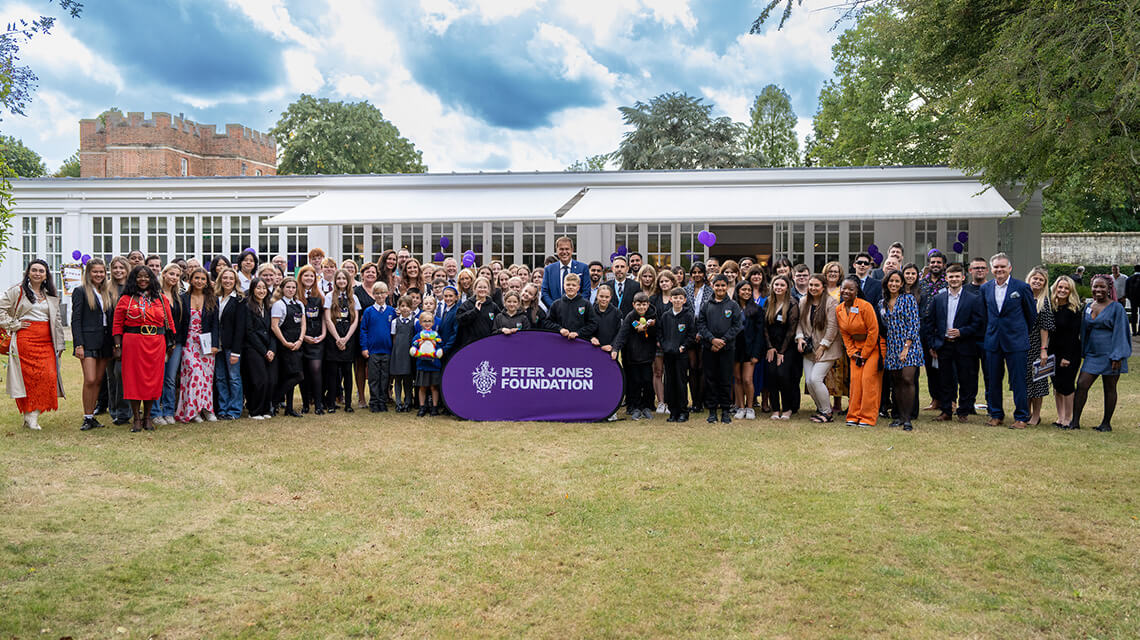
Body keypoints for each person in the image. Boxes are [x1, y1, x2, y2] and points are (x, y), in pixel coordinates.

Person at [2, 260, 66, 430]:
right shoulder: (18, 291)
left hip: (47, 342)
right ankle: (31, 417)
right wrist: (13, 324)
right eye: (34, 270)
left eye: (41, 271)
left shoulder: (51, 295)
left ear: (46, 275)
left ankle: (32, 414)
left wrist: (59, 345)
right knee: (28, 379)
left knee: (48, 377)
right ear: (28, 272)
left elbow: (57, 321)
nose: (38, 273)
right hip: (25, 341)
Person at [980, 253, 1037, 429]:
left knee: (1018, 381)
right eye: (996, 267)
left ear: (1010, 268)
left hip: (1016, 342)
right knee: (993, 380)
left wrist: (1019, 333)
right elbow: (984, 315)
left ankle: (1021, 417)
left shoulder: (1021, 287)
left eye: (1003, 266)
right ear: (991, 270)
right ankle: (996, 415)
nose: (999, 270)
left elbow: (1031, 316)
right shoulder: (986, 288)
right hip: (993, 341)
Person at [1071, 275, 1131, 432]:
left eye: (1102, 287)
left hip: (1112, 354)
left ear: (1109, 289)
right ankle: (1074, 422)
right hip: (1093, 354)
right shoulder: (1089, 306)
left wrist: (1117, 356)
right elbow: (1084, 330)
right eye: (1095, 286)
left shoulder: (1116, 308)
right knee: (1082, 384)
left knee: (1109, 388)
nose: (1098, 290)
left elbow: (1121, 332)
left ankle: (1106, 423)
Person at [928, 263, 985, 423]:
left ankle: (963, 411)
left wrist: (962, 331)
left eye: (956, 276)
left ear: (963, 278)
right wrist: (933, 344)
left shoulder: (973, 299)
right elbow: (930, 323)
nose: (954, 279)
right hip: (944, 345)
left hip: (965, 345)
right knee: (945, 380)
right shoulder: (938, 298)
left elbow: (978, 323)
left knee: (966, 379)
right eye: (951, 277)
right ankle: (946, 411)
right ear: (946, 278)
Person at [71, 258, 114, 431]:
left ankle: (91, 417)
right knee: (89, 379)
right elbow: (76, 319)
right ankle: (86, 417)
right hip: (88, 341)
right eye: (95, 271)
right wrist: (78, 344)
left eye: (101, 272)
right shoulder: (80, 291)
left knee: (97, 380)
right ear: (88, 273)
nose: (98, 274)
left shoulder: (106, 293)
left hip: (105, 341)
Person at [879, 270, 923, 431]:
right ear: (886, 283)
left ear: (902, 284)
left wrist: (906, 347)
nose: (894, 284)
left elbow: (914, 324)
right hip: (892, 345)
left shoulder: (908, 299)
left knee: (907, 379)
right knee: (896, 382)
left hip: (909, 344)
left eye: (897, 281)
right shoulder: (882, 303)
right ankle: (898, 417)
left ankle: (907, 418)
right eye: (891, 281)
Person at [175, 267, 220, 424]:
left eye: (203, 279)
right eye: (197, 278)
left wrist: (215, 344)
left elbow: (215, 324)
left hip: (206, 344)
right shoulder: (182, 298)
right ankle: (192, 411)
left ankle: (207, 409)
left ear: (207, 281)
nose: (200, 281)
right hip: (188, 343)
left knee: (206, 378)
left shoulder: (212, 299)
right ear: (190, 280)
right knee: (194, 374)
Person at [796, 274, 841, 423]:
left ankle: (827, 413)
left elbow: (833, 327)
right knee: (808, 382)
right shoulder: (803, 302)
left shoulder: (831, 302)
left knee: (816, 379)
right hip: (809, 349)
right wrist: (800, 337)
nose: (813, 288)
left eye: (816, 285)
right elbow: (799, 323)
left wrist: (823, 346)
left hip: (828, 349)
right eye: (811, 285)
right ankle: (821, 409)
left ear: (823, 287)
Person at [697, 275, 743, 424]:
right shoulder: (706, 305)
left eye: (723, 286)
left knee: (725, 379)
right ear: (712, 286)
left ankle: (725, 410)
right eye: (717, 285)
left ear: (727, 286)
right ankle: (711, 411)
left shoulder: (733, 305)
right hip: (709, 348)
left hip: (727, 348)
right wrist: (712, 340)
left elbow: (737, 326)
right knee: (710, 379)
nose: (720, 288)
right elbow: (701, 325)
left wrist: (723, 340)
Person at [836, 276, 880, 427]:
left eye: (851, 289)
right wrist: (852, 351)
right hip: (855, 349)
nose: (846, 291)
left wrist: (865, 353)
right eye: (844, 288)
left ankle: (867, 417)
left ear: (856, 291)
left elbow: (874, 331)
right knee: (855, 383)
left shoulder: (865, 306)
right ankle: (853, 415)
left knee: (868, 381)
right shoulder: (839, 309)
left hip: (872, 347)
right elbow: (844, 333)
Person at [611, 291, 658, 420]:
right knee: (634, 382)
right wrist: (616, 348)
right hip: (632, 356)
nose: (641, 307)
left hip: (648, 356)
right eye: (638, 305)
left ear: (648, 304)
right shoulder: (630, 317)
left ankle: (647, 406)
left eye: (644, 304)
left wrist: (651, 327)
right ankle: (634, 407)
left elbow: (658, 333)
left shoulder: (653, 317)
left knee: (647, 381)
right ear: (633, 304)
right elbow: (623, 334)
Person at [323, 269, 361, 414]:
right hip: (333, 339)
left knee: (347, 373)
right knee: (333, 374)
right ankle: (331, 403)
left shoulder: (354, 298)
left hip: (349, 339)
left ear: (348, 281)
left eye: (344, 279)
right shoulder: (329, 296)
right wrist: (338, 338)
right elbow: (327, 319)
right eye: (338, 279)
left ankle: (349, 404)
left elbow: (355, 320)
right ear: (335, 281)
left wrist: (346, 338)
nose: (341, 281)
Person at [153, 263, 185, 426]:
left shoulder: (179, 296)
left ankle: (168, 411)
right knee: (157, 378)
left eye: (177, 275)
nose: (174, 277)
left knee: (170, 379)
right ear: (164, 274)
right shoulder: (154, 294)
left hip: (176, 343)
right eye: (171, 274)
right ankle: (155, 412)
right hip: (158, 341)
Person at [102, 255, 132, 425]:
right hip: (109, 337)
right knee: (112, 375)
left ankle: (124, 411)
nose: (118, 271)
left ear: (127, 269)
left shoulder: (132, 288)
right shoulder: (106, 288)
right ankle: (114, 409)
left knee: (122, 374)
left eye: (122, 268)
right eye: (115, 268)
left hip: (128, 338)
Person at [764, 275, 800, 420]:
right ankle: (775, 409)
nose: (778, 287)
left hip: (787, 347)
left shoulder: (792, 303)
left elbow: (792, 330)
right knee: (772, 375)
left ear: (787, 288)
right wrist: (770, 347)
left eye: (782, 285)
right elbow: (764, 327)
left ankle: (787, 408)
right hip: (771, 347)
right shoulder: (768, 302)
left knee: (783, 376)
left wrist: (782, 351)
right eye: (776, 284)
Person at [1049, 275, 1082, 429]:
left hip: (1069, 353)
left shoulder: (1074, 309)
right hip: (1053, 352)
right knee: (1056, 385)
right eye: (1060, 287)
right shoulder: (1051, 306)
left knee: (1067, 386)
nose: (1062, 290)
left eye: (1066, 288)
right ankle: (1060, 417)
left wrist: (1067, 357)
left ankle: (1068, 418)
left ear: (1071, 291)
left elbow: (1073, 335)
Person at [1023, 266, 1055, 425]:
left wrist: (1044, 350)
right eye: (1034, 278)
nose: (1037, 281)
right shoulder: (1022, 297)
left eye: (1041, 280)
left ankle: (1036, 415)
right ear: (1029, 280)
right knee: (1024, 381)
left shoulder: (1044, 302)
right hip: (1021, 345)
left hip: (1036, 346)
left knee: (1038, 381)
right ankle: (1026, 412)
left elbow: (1045, 327)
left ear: (1044, 284)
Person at [270, 277, 306, 418]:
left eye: (293, 287)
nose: (291, 290)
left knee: (293, 376)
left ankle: (289, 408)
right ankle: (274, 400)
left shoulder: (299, 304)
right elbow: (274, 326)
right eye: (288, 287)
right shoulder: (278, 305)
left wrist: (300, 340)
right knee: (295, 376)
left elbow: (303, 324)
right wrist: (285, 342)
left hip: (297, 344)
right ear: (282, 289)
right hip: (284, 345)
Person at [213, 268, 246, 420]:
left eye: (231, 278)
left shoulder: (239, 299)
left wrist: (236, 351)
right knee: (220, 378)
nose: (227, 281)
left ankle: (234, 410)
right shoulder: (215, 297)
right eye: (225, 278)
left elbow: (240, 328)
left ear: (235, 281)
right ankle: (223, 408)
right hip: (216, 345)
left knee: (234, 378)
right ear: (220, 279)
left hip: (231, 346)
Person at [241, 278, 276, 420]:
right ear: (252, 290)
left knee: (269, 380)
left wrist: (272, 349)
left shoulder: (269, 307)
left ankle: (265, 409)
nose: (261, 291)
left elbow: (273, 330)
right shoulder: (247, 306)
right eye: (258, 288)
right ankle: (254, 411)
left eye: (264, 288)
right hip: (253, 348)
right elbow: (249, 332)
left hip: (268, 348)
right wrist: (264, 351)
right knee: (258, 380)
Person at [659, 286, 695, 422]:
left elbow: (691, 335)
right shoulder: (665, 316)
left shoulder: (688, 316)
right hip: (668, 354)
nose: (678, 300)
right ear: (670, 299)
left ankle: (683, 412)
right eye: (675, 298)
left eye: (680, 298)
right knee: (670, 382)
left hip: (681, 354)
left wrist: (684, 346)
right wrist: (664, 346)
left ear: (685, 300)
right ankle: (673, 411)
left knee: (680, 382)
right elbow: (660, 334)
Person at [360, 281, 396, 413]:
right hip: (373, 351)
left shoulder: (392, 311)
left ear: (387, 294)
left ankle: (383, 401)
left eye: (382, 293)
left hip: (387, 350)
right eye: (377, 293)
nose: (380, 296)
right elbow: (363, 330)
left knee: (385, 378)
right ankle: (374, 402)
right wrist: (364, 348)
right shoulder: (369, 311)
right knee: (374, 378)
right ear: (373, 294)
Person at [296, 266, 327, 415]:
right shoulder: (295, 295)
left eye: (312, 276)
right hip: (302, 339)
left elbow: (323, 318)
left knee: (316, 370)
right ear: (300, 277)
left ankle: (319, 403)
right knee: (303, 373)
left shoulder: (319, 296)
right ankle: (306, 403)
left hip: (317, 339)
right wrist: (303, 337)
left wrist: (323, 334)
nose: (309, 278)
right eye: (306, 276)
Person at [732, 281, 764, 420]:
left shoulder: (757, 310)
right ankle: (740, 407)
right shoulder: (731, 307)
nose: (746, 292)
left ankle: (750, 407)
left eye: (749, 290)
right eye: (743, 289)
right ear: (738, 291)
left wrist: (756, 353)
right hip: (734, 349)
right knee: (737, 379)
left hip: (750, 349)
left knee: (747, 379)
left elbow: (760, 333)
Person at [545, 273, 596, 341]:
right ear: (564, 286)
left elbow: (593, 324)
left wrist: (578, 333)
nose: (570, 287)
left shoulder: (586, 304)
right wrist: (560, 329)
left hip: (580, 341)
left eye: (573, 285)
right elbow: (547, 323)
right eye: (568, 284)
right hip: (560, 341)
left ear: (578, 287)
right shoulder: (556, 304)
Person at [412, 311, 444, 417]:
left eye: (429, 321)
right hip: (422, 364)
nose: (427, 323)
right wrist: (418, 344)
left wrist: (436, 345)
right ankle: (422, 407)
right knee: (422, 387)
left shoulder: (436, 335)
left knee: (434, 387)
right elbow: (414, 345)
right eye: (425, 321)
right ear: (420, 323)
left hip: (434, 364)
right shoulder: (418, 335)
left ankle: (434, 408)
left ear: (433, 323)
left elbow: (440, 346)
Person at [389, 296, 417, 412]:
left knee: (408, 379)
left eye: (408, 306)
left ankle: (408, 401)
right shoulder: (395, 322)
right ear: (399, 307)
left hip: (409, 353)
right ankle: (398, 402)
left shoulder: (415, 321)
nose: (405, 309)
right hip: (398, 353)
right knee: (398, 378)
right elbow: (394, 337)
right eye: (402, 306)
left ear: (412, 308)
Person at [457, 277, 500, 348]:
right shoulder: (467, 304)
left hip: (488, 344)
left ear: (488, 289)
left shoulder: (493, 306)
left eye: (485, 287)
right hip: (471, 344)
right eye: (480, 287)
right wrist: (475, 311)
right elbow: (460, 319)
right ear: (475, 289)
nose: (482, 289)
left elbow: (499, 322)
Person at [1125, 265, 1140, 336]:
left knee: (1134, 315)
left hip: (1133, 300)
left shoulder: (1129, 279)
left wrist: (1130, 298)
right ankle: (1139, 331)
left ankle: (1134, 331)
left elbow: (1126, 290)